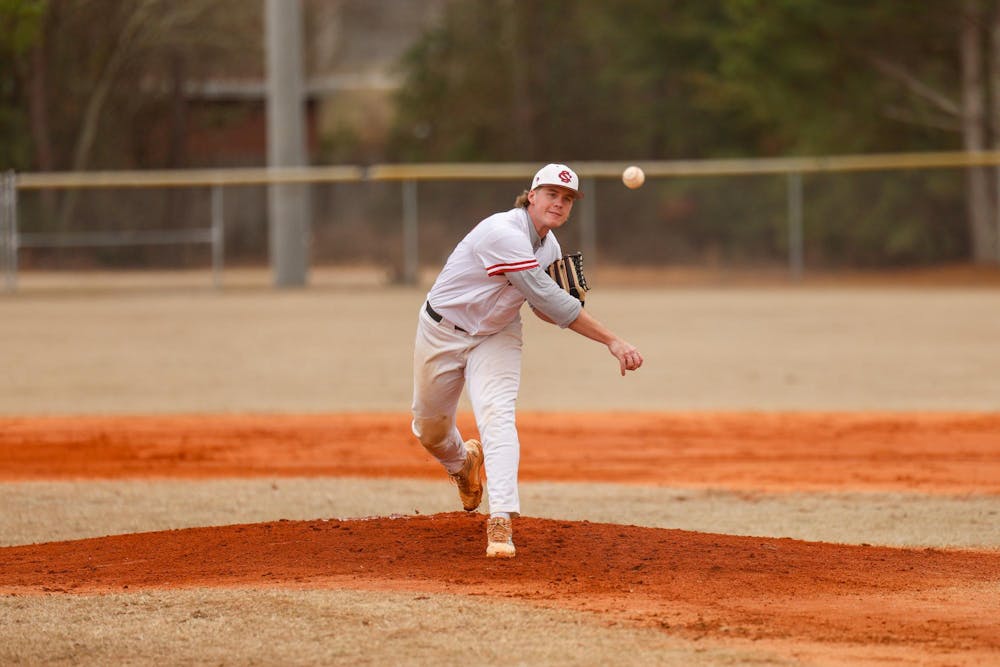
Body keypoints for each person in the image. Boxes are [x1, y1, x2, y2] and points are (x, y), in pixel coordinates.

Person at [411, 163, 643, 558]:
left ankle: (500, 518)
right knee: (429, 429)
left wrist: (567, 304)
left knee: (497, 415)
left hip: (497, 335)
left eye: (567, 199)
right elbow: (547, 298)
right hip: (442, 331)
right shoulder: (502, 233)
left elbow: (541, 309)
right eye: (552, 194)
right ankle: (462, 464)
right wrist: (612, 341)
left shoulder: (548, 247)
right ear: (531, 195)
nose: (559, 203)